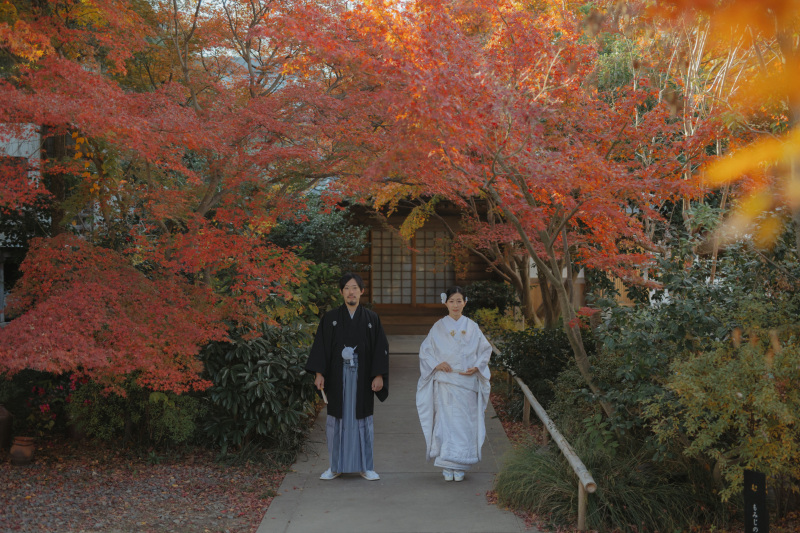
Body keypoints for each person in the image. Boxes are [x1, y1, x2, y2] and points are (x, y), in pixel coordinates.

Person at [305, 273, 389, 481]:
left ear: (362, 291)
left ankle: (366, 466)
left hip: (362, 377)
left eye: (355, 288)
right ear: (341, 292)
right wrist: (319, 373)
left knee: (363, 421)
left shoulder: (371, 319)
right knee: (336, 420)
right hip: (337, 376)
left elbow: (380, 348)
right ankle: (335, 466)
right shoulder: (331, 318)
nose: (351, 292)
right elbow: (321, 347)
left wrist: (378, 375)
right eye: (347, 288)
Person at [416, 286, 492, 482]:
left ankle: (461, 465)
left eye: (459, 301)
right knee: (446, 422)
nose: (456, 305)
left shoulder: (472, 326)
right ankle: (447, 464)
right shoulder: (438, 327)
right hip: (447, 382)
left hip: (466, 381)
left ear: (465, 302)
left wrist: (476, 366)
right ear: (445, 303)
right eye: (452, 301)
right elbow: (425, 351)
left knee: (465, 423)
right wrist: (437, 364)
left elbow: (485, 349)